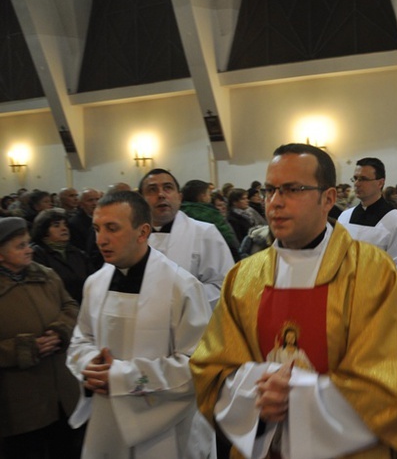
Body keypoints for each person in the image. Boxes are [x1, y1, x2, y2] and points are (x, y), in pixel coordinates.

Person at [190, 143, 397, 459]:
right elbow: (212, 370)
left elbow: (390, 381)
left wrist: (296, 397)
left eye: (292, 189)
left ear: (328, 198)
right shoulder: (243, 278)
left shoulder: (372, 272)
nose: (275, 202)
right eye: (270, 190)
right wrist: (256, 394)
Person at [66, 191, 214, 458]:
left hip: (166, 429)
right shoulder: (95, 283)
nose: (101, 240)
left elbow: (198, 365)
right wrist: (90, 365)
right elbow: (81, 339)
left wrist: (122, 376)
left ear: (142, 232)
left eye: (112, 228)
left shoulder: (182, 286)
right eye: (97, 229)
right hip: (108, 419)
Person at [0, 216, 82, 459]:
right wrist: (24, 348)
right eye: (20, 246)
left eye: (28, 243)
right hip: (20, 399)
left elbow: (70, 306)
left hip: (62, 392)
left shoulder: (46, 274)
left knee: (68, 448)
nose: (29, 250)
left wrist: (60, 331)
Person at [139, 168, 234, 309]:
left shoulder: (205, 233)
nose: (161, 195)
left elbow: (224, 286)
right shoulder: (130, 237)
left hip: (193, 325)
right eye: (152, 190)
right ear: (140, 200)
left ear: (179, 197)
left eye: (168, 188)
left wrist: (178, 300)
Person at [338, 157, 397, 262]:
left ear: (380, 183)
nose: (356, 184)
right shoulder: (344, 217)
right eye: (355, 178)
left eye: (363, 179)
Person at [31, 209, 93, 304]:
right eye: (56, 226)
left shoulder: (78, 253)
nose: (64, 228)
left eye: (65, 225)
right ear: (44, 231)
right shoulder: (37, 254)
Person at [180, 179, 241, 262]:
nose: (210, 197)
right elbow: (228, 238)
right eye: (209, 194)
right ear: (202, 196)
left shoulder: (178, 212)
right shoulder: (210, 214)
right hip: (214, 257)